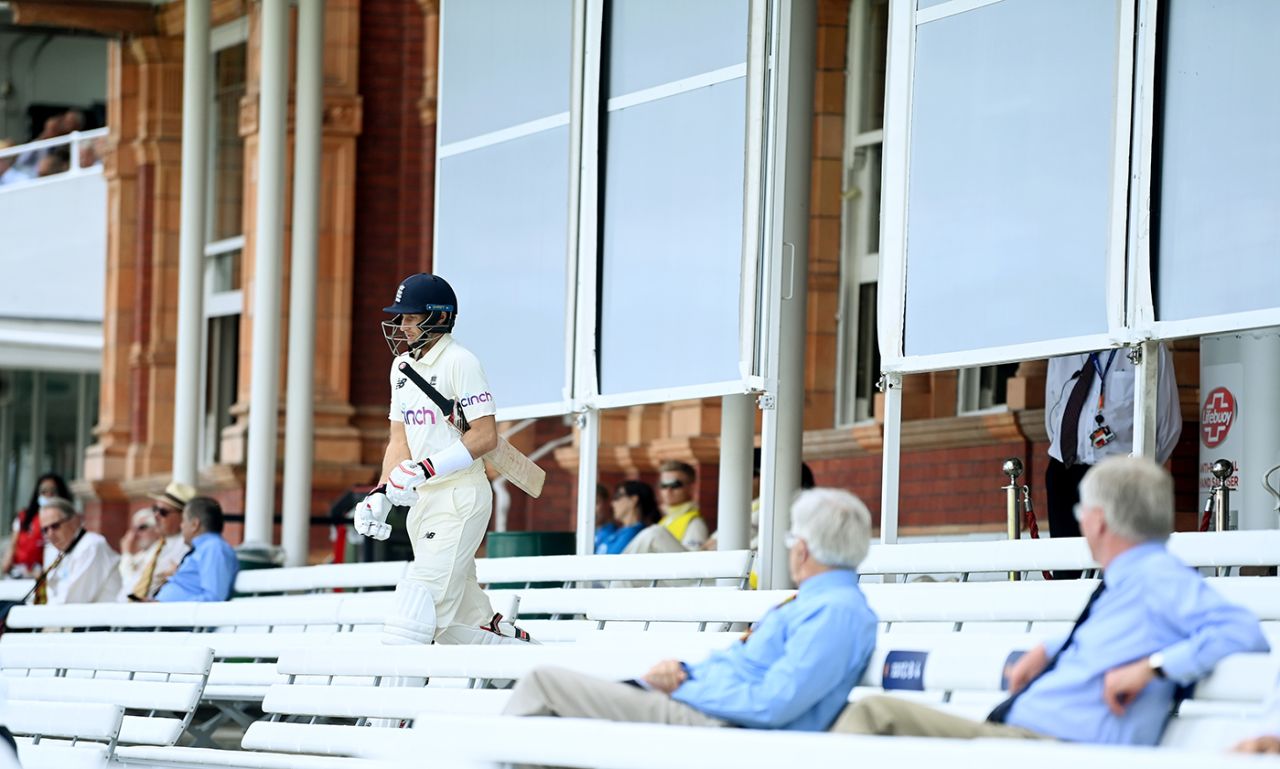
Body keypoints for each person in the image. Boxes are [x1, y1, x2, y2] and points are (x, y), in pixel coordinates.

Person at [832, 456, 1268, 746]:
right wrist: (1051, 648)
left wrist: (1151, 668)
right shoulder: (1131, 581)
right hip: (1028, 739)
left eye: (1081, 516)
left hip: (1053, 747)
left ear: (1097, 522)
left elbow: (1241, 630)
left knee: (872, 717)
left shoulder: (1156, 576)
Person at [504, 487, 878, 731]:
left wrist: (684, 688)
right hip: (708, 708)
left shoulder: (836, 612)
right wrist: (684, 671)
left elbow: (774, 703)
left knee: (543, 685)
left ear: (803, 549)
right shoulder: (817, 604)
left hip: (719, 725)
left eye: (791, 538)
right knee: (556, 721)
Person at [355, 272, 528, 646]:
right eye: (401, 317)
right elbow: (399, 440)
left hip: (460, 496)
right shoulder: (401, 368)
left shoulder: (460, 361)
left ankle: (385, 707)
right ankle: (529, 675)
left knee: (414, 612)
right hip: (423, 502)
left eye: (410, 317)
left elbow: (484, 435)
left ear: (437, 317)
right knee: (462, 627)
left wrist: (426, 467)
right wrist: (381, 492)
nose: (402, 326)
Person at [1044, 346, 1181, 577]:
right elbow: (1053, 415)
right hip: (1065, 470)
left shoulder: (1147, 346)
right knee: (1067, 571)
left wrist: (1136, 475)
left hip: (1117, 477)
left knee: (1117, 566)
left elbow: (1167, 426)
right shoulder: (1064, 348)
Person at [154, 497, 239, 602]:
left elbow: (213, 598)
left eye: (183, 521)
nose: (182, 526)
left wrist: (168, 606)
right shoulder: (204, 549)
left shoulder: (214, 548)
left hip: (177, 615)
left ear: (195, 524)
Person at [39, 497, 121, 604]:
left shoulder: (91, 546)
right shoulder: (60, 551)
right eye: (45, 530)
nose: (50, 534)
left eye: (55, 526)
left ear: (74, 520)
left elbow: (72, 600)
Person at [130, 481, 195, 599]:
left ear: (182, 516)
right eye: (155, 509)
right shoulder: (157, 545)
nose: (156, 516)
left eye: (163, 512)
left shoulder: (187, 547)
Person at [1, 472, 67, 578]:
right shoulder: (24, 517)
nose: (48, 495)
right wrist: (7, 561)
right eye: (44, 491)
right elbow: (13, 544)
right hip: (19, 573)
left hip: (47, 575)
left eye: (52, 491)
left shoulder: (65, 520)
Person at [596, 480, 682, 557]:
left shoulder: (641, 533)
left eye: (617, 497)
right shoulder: (617, 532)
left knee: (657, 531)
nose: (613, 503)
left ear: (633, 500)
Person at [656, 460, 708, 550]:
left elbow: (691, 561)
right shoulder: (665, 520)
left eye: (675, 485)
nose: (668, 490)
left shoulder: (694, 523)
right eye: (664, 485)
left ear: (691, 488)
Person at [116, 508, 160, 601]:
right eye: (134, 529)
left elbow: (131, 585)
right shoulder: (142, 555)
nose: (136, 534)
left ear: (157, 529)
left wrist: (126, 553)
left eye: (142, 528)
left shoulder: (159, 553)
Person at [593, 483, 617, 554]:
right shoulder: (587, 532)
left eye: (596, 502)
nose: (591, 509)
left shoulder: (614, 533)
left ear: (608, 503)